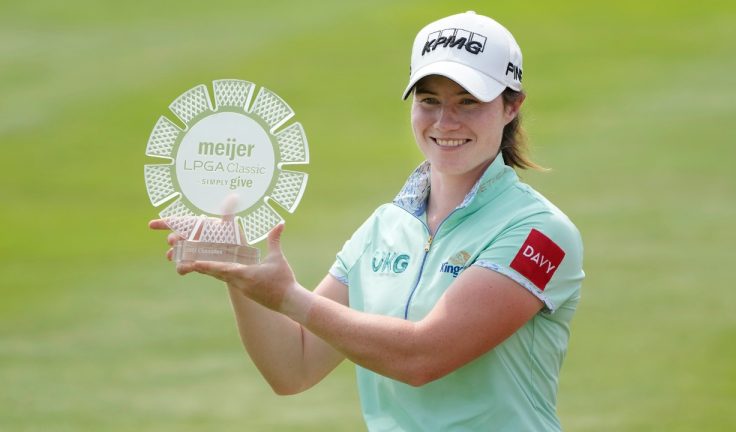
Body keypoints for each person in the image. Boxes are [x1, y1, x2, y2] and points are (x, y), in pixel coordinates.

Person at [151, 11, 584, 431]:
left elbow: (423, 358)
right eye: (428, 101)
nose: (444, 122)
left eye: (468, 102)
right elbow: (293, 367)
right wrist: (239, 270)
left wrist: (289, 298)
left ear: (512, 106)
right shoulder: (384, 227)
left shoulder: (540, 233)